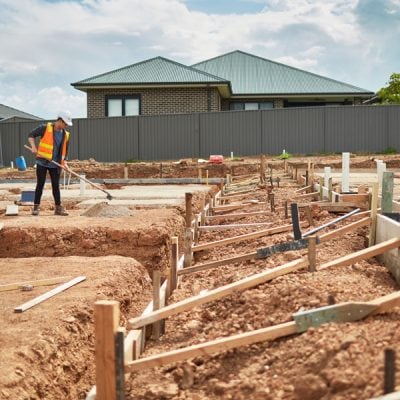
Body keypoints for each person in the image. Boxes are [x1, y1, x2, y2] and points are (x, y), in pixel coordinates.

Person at [27, 111, 72, 216]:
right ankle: (36, 207)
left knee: (56, 186)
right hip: (42, 162)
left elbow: (65, 151)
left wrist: (65, 162)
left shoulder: (66, 135)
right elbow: (31, 135)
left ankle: (58, 208)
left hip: (55, 164)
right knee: (40, 184)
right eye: (65, 123)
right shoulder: (45, 128)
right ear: (60, 120)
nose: (66, 126)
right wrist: (33, 147)